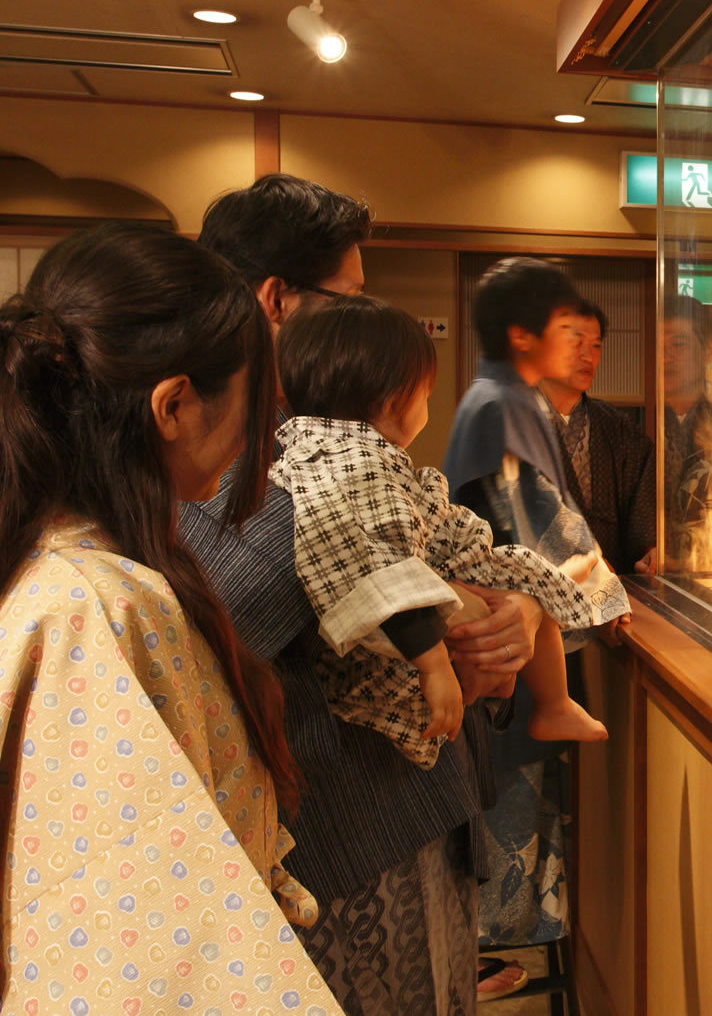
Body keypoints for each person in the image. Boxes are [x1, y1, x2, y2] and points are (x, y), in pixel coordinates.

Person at [0, 224, 338, 1011]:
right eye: (257, 405)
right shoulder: (97, 606)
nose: (258, 437)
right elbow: (137, 962)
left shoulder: (40, 564)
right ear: (175, 405)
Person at [188, 174, 539, 1010]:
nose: (362, 314)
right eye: (348, 296)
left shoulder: (338, 433)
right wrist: (436, 600)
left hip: (417, 808)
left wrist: (512, 611)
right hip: (329, 841)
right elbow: (219, 619)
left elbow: (443, 542)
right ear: (277, 299)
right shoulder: (212, 436)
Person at [272, 295, 612, 764]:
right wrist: (433, 663)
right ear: (395, 399)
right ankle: (546, 698)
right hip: (400, 654)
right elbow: (381, 571)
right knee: (526, 578)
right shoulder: (353, 464)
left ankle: (541, 693)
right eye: (426, 394)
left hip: (446, 582)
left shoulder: (335, 452)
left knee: (528, 575)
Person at [443, 258, 631, 950]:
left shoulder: (505, 397)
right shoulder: (501, 403)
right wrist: (601, 586)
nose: (580, 341)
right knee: (511, 800)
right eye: (566, 328)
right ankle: (500, 950)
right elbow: (535, 524)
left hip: (512, 632)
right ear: (524, 336)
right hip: (508, 640)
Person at [532, 296, 657, 572]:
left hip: (615, 593)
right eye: (575, 343)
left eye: (596, 345)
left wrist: (649, 549)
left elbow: (642, 504)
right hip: (542, 594)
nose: (588, 356)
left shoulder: (616, 427)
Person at [662, 293, 712, 569]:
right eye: (658, 346)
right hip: (649, 576)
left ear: (709, 350)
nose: (665, 357)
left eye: (678, 344)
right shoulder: (634, 430)